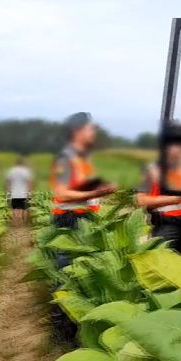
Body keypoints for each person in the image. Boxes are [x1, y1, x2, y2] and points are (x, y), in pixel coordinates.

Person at [51, 112, 117, 266]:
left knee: (85, 266)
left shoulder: (84, 158)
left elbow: (83, 185)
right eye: (90, 129)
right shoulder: (66, 158)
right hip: (71, 218)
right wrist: (96, 192)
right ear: (77, 131)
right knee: (68, 266)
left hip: (86, 216)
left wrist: (104, 187)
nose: (93, 132)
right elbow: (63, 194)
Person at [136, 144, 181, 255]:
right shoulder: (151, 171)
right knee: (165, 263)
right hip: (166, 226)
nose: (177, 151)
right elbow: (140, 201)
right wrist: (172, 200)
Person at [5, 156, 34, 226]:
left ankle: (16, 222)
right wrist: (30, 191)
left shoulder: (11, 170)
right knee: (25, 209)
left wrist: (8, 190)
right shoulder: (26, 171)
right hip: (24, 193)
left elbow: (7, 181)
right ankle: (24, 223)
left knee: (14, 208)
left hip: (14, 193)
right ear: (23, 164)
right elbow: (30, 182)